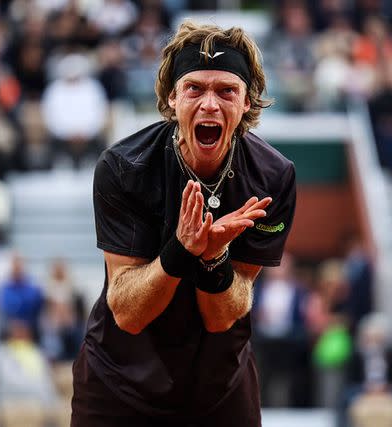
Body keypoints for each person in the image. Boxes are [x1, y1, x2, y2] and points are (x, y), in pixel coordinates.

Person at [71, 21, 296, 427]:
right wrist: (181, 251)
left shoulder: (272, 177)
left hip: (219, 386)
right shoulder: (124, 168)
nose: (210, 104)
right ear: (172, 98)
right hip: (119, 381)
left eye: (226, 91)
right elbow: (127, 313)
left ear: (247, 103)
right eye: (195, 89)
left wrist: (213, 260)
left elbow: (223, 315)